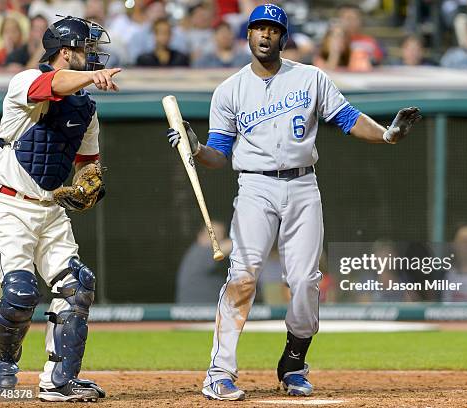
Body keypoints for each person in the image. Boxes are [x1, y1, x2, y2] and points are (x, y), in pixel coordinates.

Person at [166, 3, 420, 401]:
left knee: (305, 281)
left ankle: (294, 363)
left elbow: (349, 119)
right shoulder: (230, 89)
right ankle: (219, 372)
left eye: (273, 29)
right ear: (247, 35)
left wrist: (386, 136)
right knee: (243, 276)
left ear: (284, 38)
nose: (265, 35)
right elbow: (217, 155)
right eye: (258, 29)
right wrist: (196, 147)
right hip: (254, 187)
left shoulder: (310, 78)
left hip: (303, 186)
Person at [0, 15, 121, 402]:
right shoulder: (25, 80)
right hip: (9, 204)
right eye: (86, 50)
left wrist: (89, 184)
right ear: (65, 52)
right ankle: (5, 359)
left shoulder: (87, 109)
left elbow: (87, 163)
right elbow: (54, 85)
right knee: (21, 293)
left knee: (78, 286)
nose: (92, 58)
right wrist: (92, 77)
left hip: (51, 209)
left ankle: (58, 382)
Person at [175, 222, 232, 303]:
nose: (217, 238)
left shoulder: (217, 260)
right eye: (212, 233)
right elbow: (226, 246)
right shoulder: (199, 252)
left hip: (211, 311)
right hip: (195, 312)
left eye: (220, 234)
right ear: (200, 236)